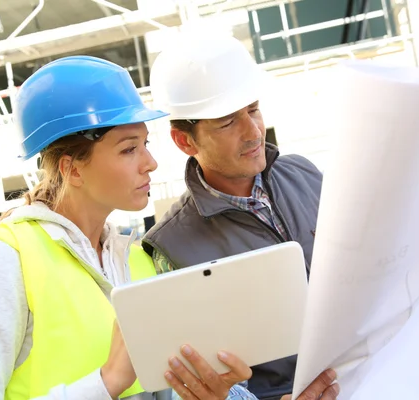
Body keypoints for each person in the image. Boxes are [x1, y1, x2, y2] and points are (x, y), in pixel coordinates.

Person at [0, 56, 252, 400]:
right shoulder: (3, 262)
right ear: (73, 169)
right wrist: (106, 382)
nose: (150, 163)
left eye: (146, 144)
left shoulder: (138, 262)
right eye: (129, 149)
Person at [142, 33, 339, 400]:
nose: (253, 132)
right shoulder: (171, 247)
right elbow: (206, 383)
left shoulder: (306, 175)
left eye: (253, 110)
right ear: (185, 141)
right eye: (228, 122)